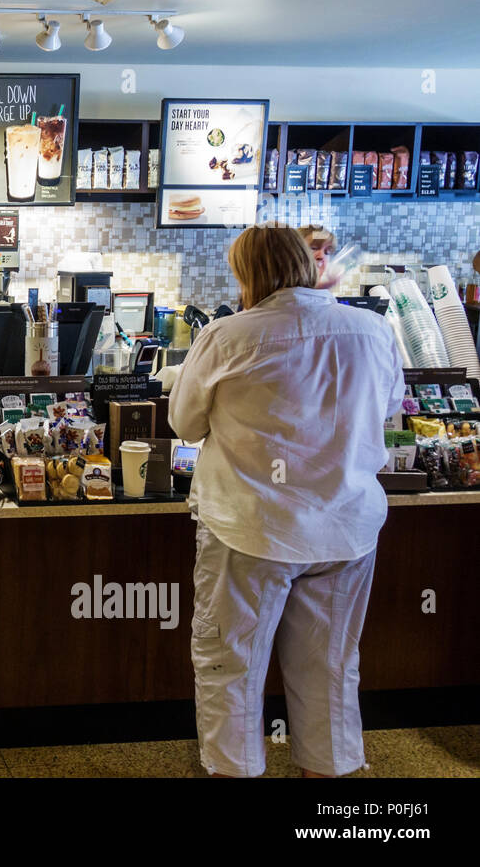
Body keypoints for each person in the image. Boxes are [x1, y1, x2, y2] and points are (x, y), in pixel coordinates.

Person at [168, 224, 403, 779]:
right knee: (330, 668)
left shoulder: (228, 336)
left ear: (246, 273)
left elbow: (184, 422)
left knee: (231, 666)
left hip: (251, 528)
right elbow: (388, 409)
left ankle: (236, 771)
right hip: (346, 527)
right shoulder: (372, 330)